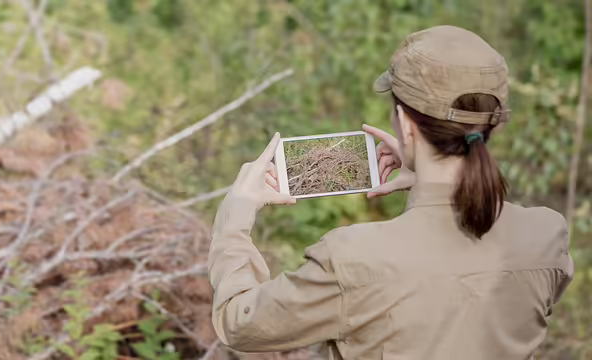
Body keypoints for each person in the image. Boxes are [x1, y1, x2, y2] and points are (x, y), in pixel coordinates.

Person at [207, 25, 574, 359]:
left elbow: (239, 323)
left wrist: (233, 226)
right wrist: (430, 179)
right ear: (492, 123)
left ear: (404, 124)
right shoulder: (545, 237)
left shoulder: (352, 259)